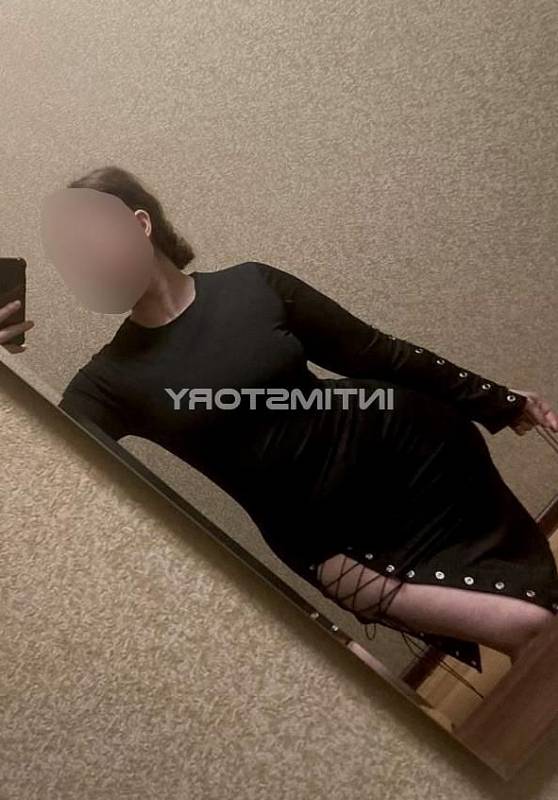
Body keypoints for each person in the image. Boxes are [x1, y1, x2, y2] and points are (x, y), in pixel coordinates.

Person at [41, 165, 558, 674]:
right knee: (529, 625)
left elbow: (380, 354)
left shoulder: (251, 284)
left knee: (543, 615)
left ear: (139, 224)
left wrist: (497, 400)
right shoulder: (108, 381)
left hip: (416, 460)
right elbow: (46, 464)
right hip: (329, 542)